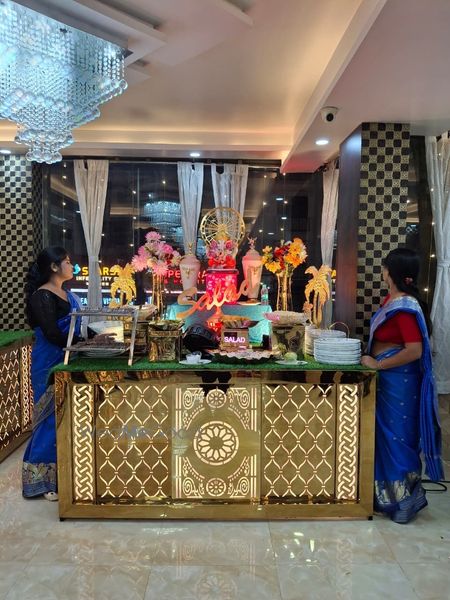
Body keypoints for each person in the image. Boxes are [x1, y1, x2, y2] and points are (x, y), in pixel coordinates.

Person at [361, 247, 443, 524]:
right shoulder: (393, 301)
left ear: (390, 272)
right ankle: (387, 498)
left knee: (397, 439)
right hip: (390, 381)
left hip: (399, 382)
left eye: (385, 267)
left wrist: (378, 364)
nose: (383, 271)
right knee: (386, 439)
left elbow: (414, 350)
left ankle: (404, 501)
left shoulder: (405, 308)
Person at [22, 246, 81, 501]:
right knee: (48, 419)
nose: (71, 265)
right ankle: (43, 481)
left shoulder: (68, 295)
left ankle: (65, 473)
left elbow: (72, 330)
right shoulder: (42, 296)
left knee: (66, 416)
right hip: (48, 362)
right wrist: (83, 343)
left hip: (68, 359)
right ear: (54, 267)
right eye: (66, 262)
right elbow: (53, 334)